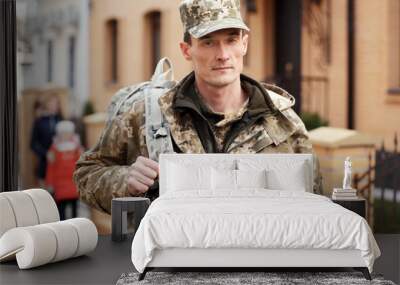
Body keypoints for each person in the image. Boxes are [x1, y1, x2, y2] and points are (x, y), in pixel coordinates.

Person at [74, 0, 322, 214]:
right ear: (186, 50)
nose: (223, 54)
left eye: (231, 39)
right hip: (169, 263)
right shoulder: (146, 115)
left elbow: (314, 200)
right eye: (208, 42)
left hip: (258, 262)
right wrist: (124, 180)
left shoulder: (282, 122)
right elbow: (86, 174)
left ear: (244, 44)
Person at [46, 120, 83, 220]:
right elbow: (51, 168)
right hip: (60, 186)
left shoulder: (77, 148)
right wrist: (50, 184)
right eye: (63, 133)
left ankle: (75, 230)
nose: (66, 135)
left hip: (73, 184)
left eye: (68, 133)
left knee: (74, 212)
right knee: (61, 213)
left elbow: (80, 166)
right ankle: (63, 231)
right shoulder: (54, 149)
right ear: (59, 134)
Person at [30, 94, 63, 188]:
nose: (56, 105)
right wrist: (46, 153)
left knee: (59, 199)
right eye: (53, 103)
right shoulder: (39, 121)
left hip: (59, 165)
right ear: (47, 104)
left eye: (57, 103)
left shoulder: (60, 119)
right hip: (44, 165)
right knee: (45, 197)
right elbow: (32, 144)